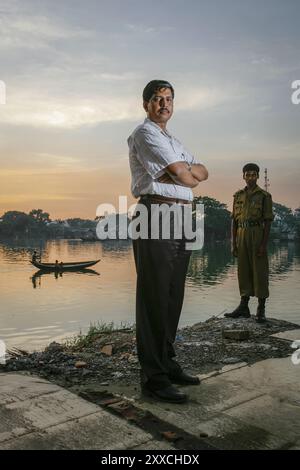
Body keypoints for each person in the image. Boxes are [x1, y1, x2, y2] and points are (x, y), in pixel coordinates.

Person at [128, 80, 208, 403]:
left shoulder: (172, 140)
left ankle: (167, 362)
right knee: (154, 294)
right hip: (155, 214)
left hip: (182, 216)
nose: (164, 104)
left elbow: (201, 173)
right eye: (157, 99)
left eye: (169, 98)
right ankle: (154, 378)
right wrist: (182, 172)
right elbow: (184, 173)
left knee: (174, 293)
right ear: (146, 105)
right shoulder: (144, 134)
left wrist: (182, 172)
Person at [224, 163, 274, 323]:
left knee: (260, 271)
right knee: (243, 270)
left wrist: (263, 245)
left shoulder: (264, 196)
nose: (251, 177)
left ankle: (261, 309)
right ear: (243, 176)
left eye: (254, 174)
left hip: (257, 233)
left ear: (258, 176)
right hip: (241, 234)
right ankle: (243, 306)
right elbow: (234, 221)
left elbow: (268, 222)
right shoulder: (237, 195)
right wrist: (233, 243)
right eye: (248, 174)